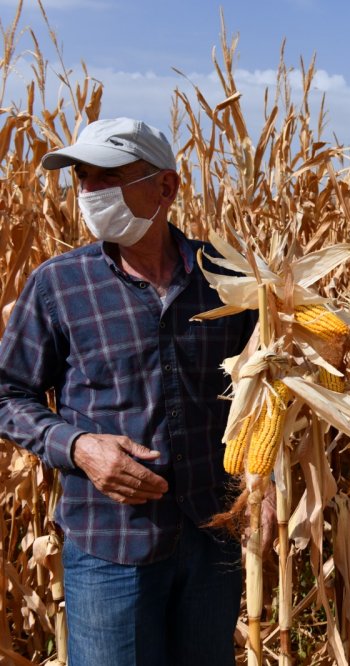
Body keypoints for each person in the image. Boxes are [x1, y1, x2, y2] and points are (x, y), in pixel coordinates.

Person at [0, 118, 256, 665]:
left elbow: (267, 389)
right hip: (109, 543)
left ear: (166, 187)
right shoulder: (59, 284)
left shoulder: (230, 279)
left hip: (213, 536)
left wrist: (268, 478)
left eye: (108, 177)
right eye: (83, 179)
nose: (90, 192)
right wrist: (78, 447)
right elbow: (7, 394)